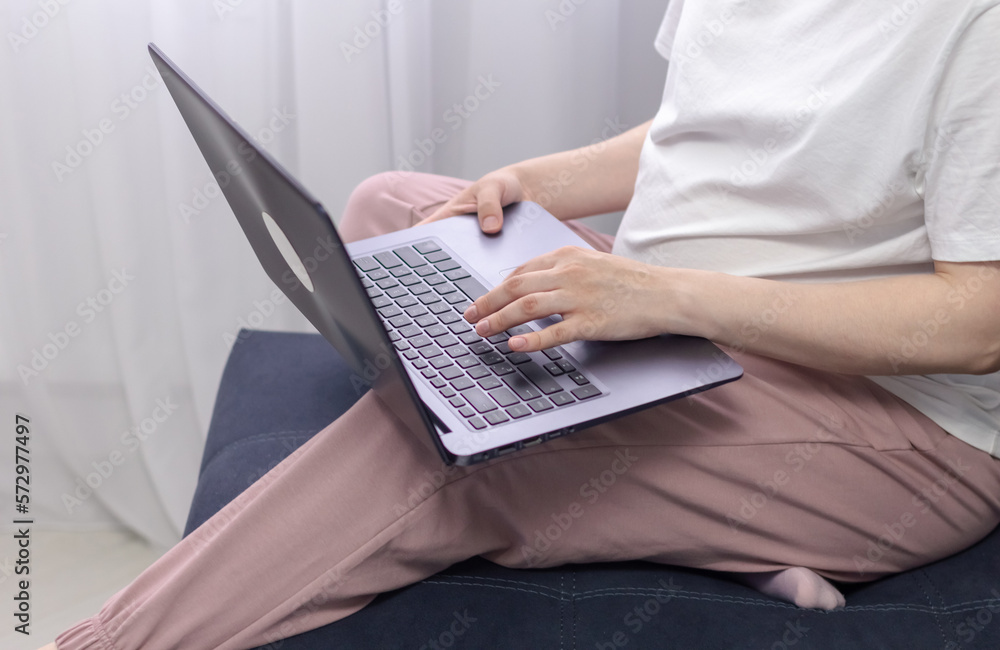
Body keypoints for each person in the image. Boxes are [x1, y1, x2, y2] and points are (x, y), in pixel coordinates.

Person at [46, 1, 1000, 648]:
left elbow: (977, 324)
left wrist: (667, 297)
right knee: (399, 211)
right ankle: (713, 525)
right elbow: (695, 134)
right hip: (693, 328)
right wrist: (534, 187)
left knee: (473, 451)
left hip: (900, 428)